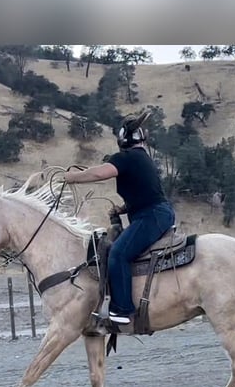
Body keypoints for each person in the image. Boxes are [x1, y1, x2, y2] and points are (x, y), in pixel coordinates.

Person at [64, 112, 175, 324]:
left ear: (122, 140)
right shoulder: (143, 159)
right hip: (158, 213)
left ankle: (123, 310)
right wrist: (124, 209)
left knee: (118, 253)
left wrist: (72, 178)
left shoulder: (127, 158)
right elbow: (147, 192)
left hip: (150, 216)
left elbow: (99, 174)